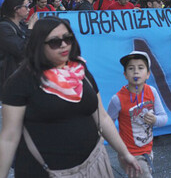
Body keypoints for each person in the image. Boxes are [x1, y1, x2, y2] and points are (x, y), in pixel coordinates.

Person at [0, 16, 141, 178]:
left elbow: (101, 116)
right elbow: (9, 137)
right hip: (43, 172)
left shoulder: (80, 71)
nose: (64, 45)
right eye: (54, 42)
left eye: (68, 38)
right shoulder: (20, 81)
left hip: (93, 165)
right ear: (39, 45)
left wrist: (124, 152)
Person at [107, 51, 168, 178]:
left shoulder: (152, 91)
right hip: (130, 154)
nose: (136, 72)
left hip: (148, 149)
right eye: (131, 68)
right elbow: (107, 123)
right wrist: (119, 150)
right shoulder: (117, 99)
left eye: (140, 68)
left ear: (148, 74)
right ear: (125, 74)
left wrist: (155, 119)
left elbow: (164, 118)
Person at [0, 0, 37, 100]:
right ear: (16, 9)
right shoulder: (4, 28)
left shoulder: (21, 25)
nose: (28, 9)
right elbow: (22, 50)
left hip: (23, 76)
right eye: (26, 6)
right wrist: (31, 28)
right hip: (8, 79)